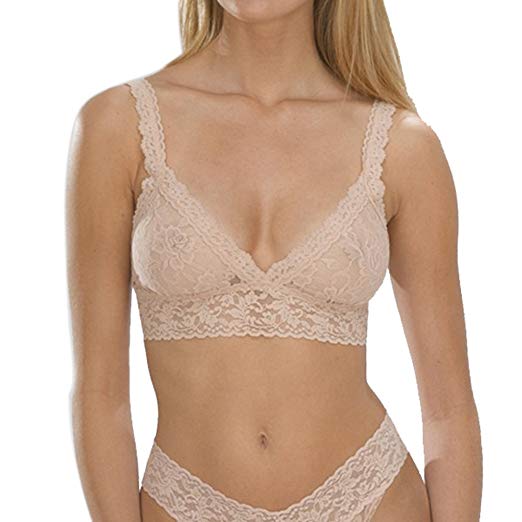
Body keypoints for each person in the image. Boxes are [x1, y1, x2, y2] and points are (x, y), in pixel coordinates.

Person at [66, 1, 482, 520]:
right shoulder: (117, 127)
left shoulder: (403, 147)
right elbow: (101, 395)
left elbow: (448, 409)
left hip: (370, 497)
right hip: (184, 504)